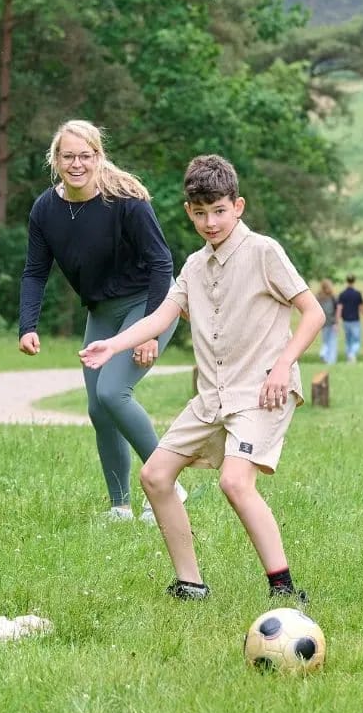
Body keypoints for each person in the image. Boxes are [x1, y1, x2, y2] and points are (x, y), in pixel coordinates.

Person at [79, 154, 325, 601]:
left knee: (234, 481)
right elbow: (160, 317)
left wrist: (284, 364)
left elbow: (313, 312)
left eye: (219, 211)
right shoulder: (194, 266)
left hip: (262, 392)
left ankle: (285, 589)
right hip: (213, 397)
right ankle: (191, 584)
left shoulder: (264, 252)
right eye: (199, 213)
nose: (210, 222)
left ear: (238, 206)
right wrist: (112, 345)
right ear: (189, 212)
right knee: (155, 476)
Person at [18, 120, 185, 523]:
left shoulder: (126, 200)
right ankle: (120, 505)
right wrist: (28, 324)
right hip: (101, 312)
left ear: (99, 156)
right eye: (68, 156)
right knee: (97, 407)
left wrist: (152, 328)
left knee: (113, 392)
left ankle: (168, 481)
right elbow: (35, 271)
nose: (77, 164)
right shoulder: (45, 208)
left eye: (85, 156)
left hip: (148, 303)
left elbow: (162, 262)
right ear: (56, 160)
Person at [336, 274, 363, 362]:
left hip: (345, 321)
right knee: (356, 340)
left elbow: (339, 309)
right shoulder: (357, 294)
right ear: (354, 281)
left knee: (348, 340)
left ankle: (349, 356)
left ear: (347, 281)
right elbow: (362, 308)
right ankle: (352, 354)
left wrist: (337, 321)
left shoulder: (342, 294)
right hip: (355, 321)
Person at [316, 279, 339, 364]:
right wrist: (336, 323)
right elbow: (336, 310)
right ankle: (331, 360)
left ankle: (323, 354)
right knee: (332, 342)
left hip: (323, 323)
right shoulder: (333, 297)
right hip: (331, 323)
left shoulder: (318, 297)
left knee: (325, 341)